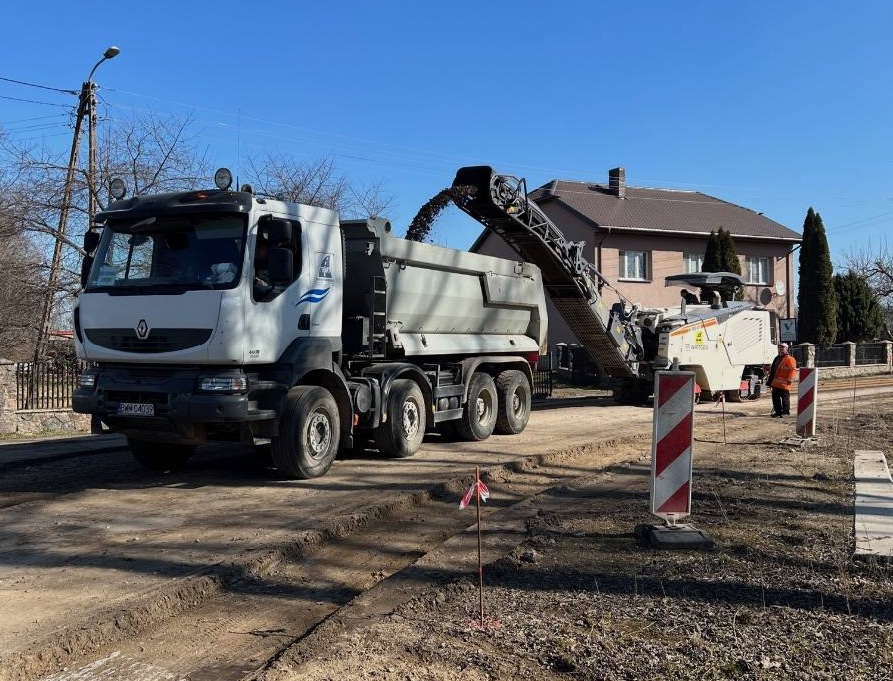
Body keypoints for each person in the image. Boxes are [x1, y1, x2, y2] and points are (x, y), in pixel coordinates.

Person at [768, 343, 797, 417]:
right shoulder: (777, 358)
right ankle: (778, 412)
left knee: (785, 398)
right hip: (776, 383)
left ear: (787, 349)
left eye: (783, 347)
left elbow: (793, 370)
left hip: (785, 383)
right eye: (780, 347)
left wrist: (790, 379)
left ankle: (786, 412)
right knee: (775, 398)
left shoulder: (790, 359)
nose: (781, 348)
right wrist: (770, 381)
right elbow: (774, 370)